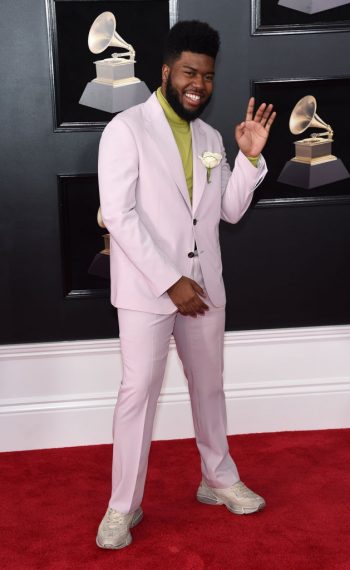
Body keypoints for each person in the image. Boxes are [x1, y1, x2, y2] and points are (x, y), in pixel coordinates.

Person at [97, 20, 276, 550]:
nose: (199, 84)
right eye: (189, 73)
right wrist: (170, 280)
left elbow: (228, 211)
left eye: (208, 76)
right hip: (148, 290)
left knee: (209, 388)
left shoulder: (212, 137)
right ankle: (122, 506)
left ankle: (217, 479)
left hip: (205, 288)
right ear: (167, 72)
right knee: (137, 395)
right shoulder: (125, 129)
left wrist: (248, 157)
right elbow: (119, 215)